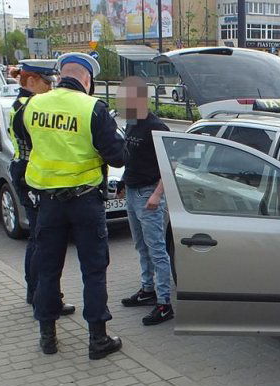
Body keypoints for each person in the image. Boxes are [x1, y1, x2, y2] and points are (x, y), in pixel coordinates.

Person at [23, 53, 125, 359]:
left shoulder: (33, 105)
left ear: (61, 75)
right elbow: (118, 157)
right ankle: (97, 340)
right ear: (87, 79)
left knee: (48, 268)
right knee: (93, 270)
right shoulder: (93, 108)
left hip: (48, 202)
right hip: (85, 201)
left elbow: (26, 142)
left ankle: (48, 338)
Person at [7, 59, 75, 317]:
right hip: (32, 174)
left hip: (24, 171)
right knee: (43, 239)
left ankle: (36, 292)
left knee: (37, 237)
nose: (52, 87)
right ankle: (43, 296)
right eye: (49, 82)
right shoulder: (31, 107)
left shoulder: (22, 103)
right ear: (33, 81)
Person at [118, 77, 174, 326]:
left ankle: (164, 304)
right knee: (141, 246)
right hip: (132, 192)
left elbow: (170, 164)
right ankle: (147, 289)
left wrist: (157, 194)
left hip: (148, 194)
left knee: (157, 250)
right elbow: (129, 158)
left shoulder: (156, 126)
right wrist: (122, 182)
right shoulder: (131, 124)